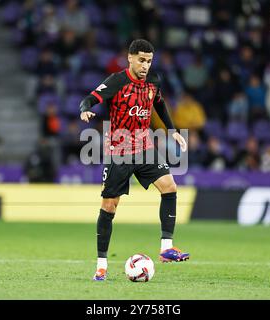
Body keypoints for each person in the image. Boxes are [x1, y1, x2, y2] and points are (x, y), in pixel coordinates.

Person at [79, 39, 189, 281]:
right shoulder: (116, 81)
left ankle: (166, 248)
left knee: (170, 187)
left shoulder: (153, 81)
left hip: (145, 147)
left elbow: (159, 104)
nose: (145, 66)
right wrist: (84, 109)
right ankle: (101, 265)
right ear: (129, 58)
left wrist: (173, 131)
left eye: (149, 61)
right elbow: (90, 98)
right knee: (109, 206)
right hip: (119, 150)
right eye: (141, 60)